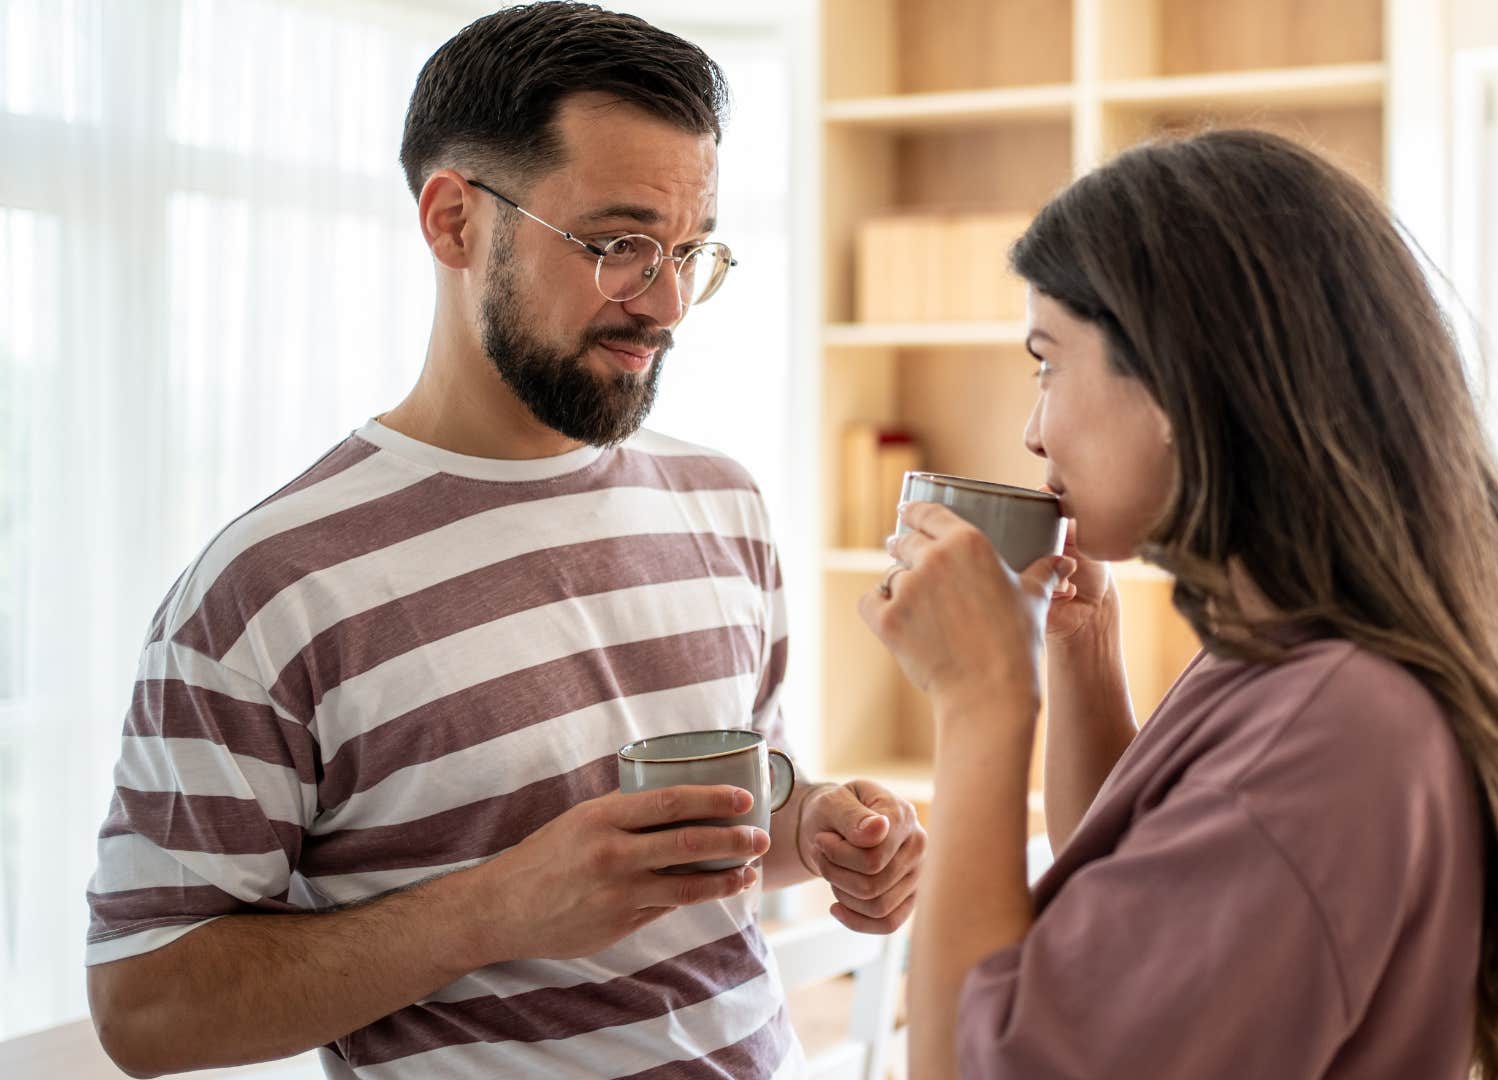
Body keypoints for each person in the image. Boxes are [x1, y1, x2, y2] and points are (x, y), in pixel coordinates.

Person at [84, 5, 925, 1077]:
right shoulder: (271, 588)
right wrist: (494, 911)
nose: (665, 304)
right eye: (620, 246)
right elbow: (145, 1007)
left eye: (689, 250)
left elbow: (740, 809)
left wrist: (818, 830)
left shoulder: (724, 502)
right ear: (452, 222)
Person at [859, 129, 1498, 1079]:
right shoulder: (1301, 650)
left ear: (1174, 376)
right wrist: (1081, 649)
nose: (1033, 433)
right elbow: (1136, 902)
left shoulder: (1328, 729)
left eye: (1049, 363)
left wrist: (982, 704)